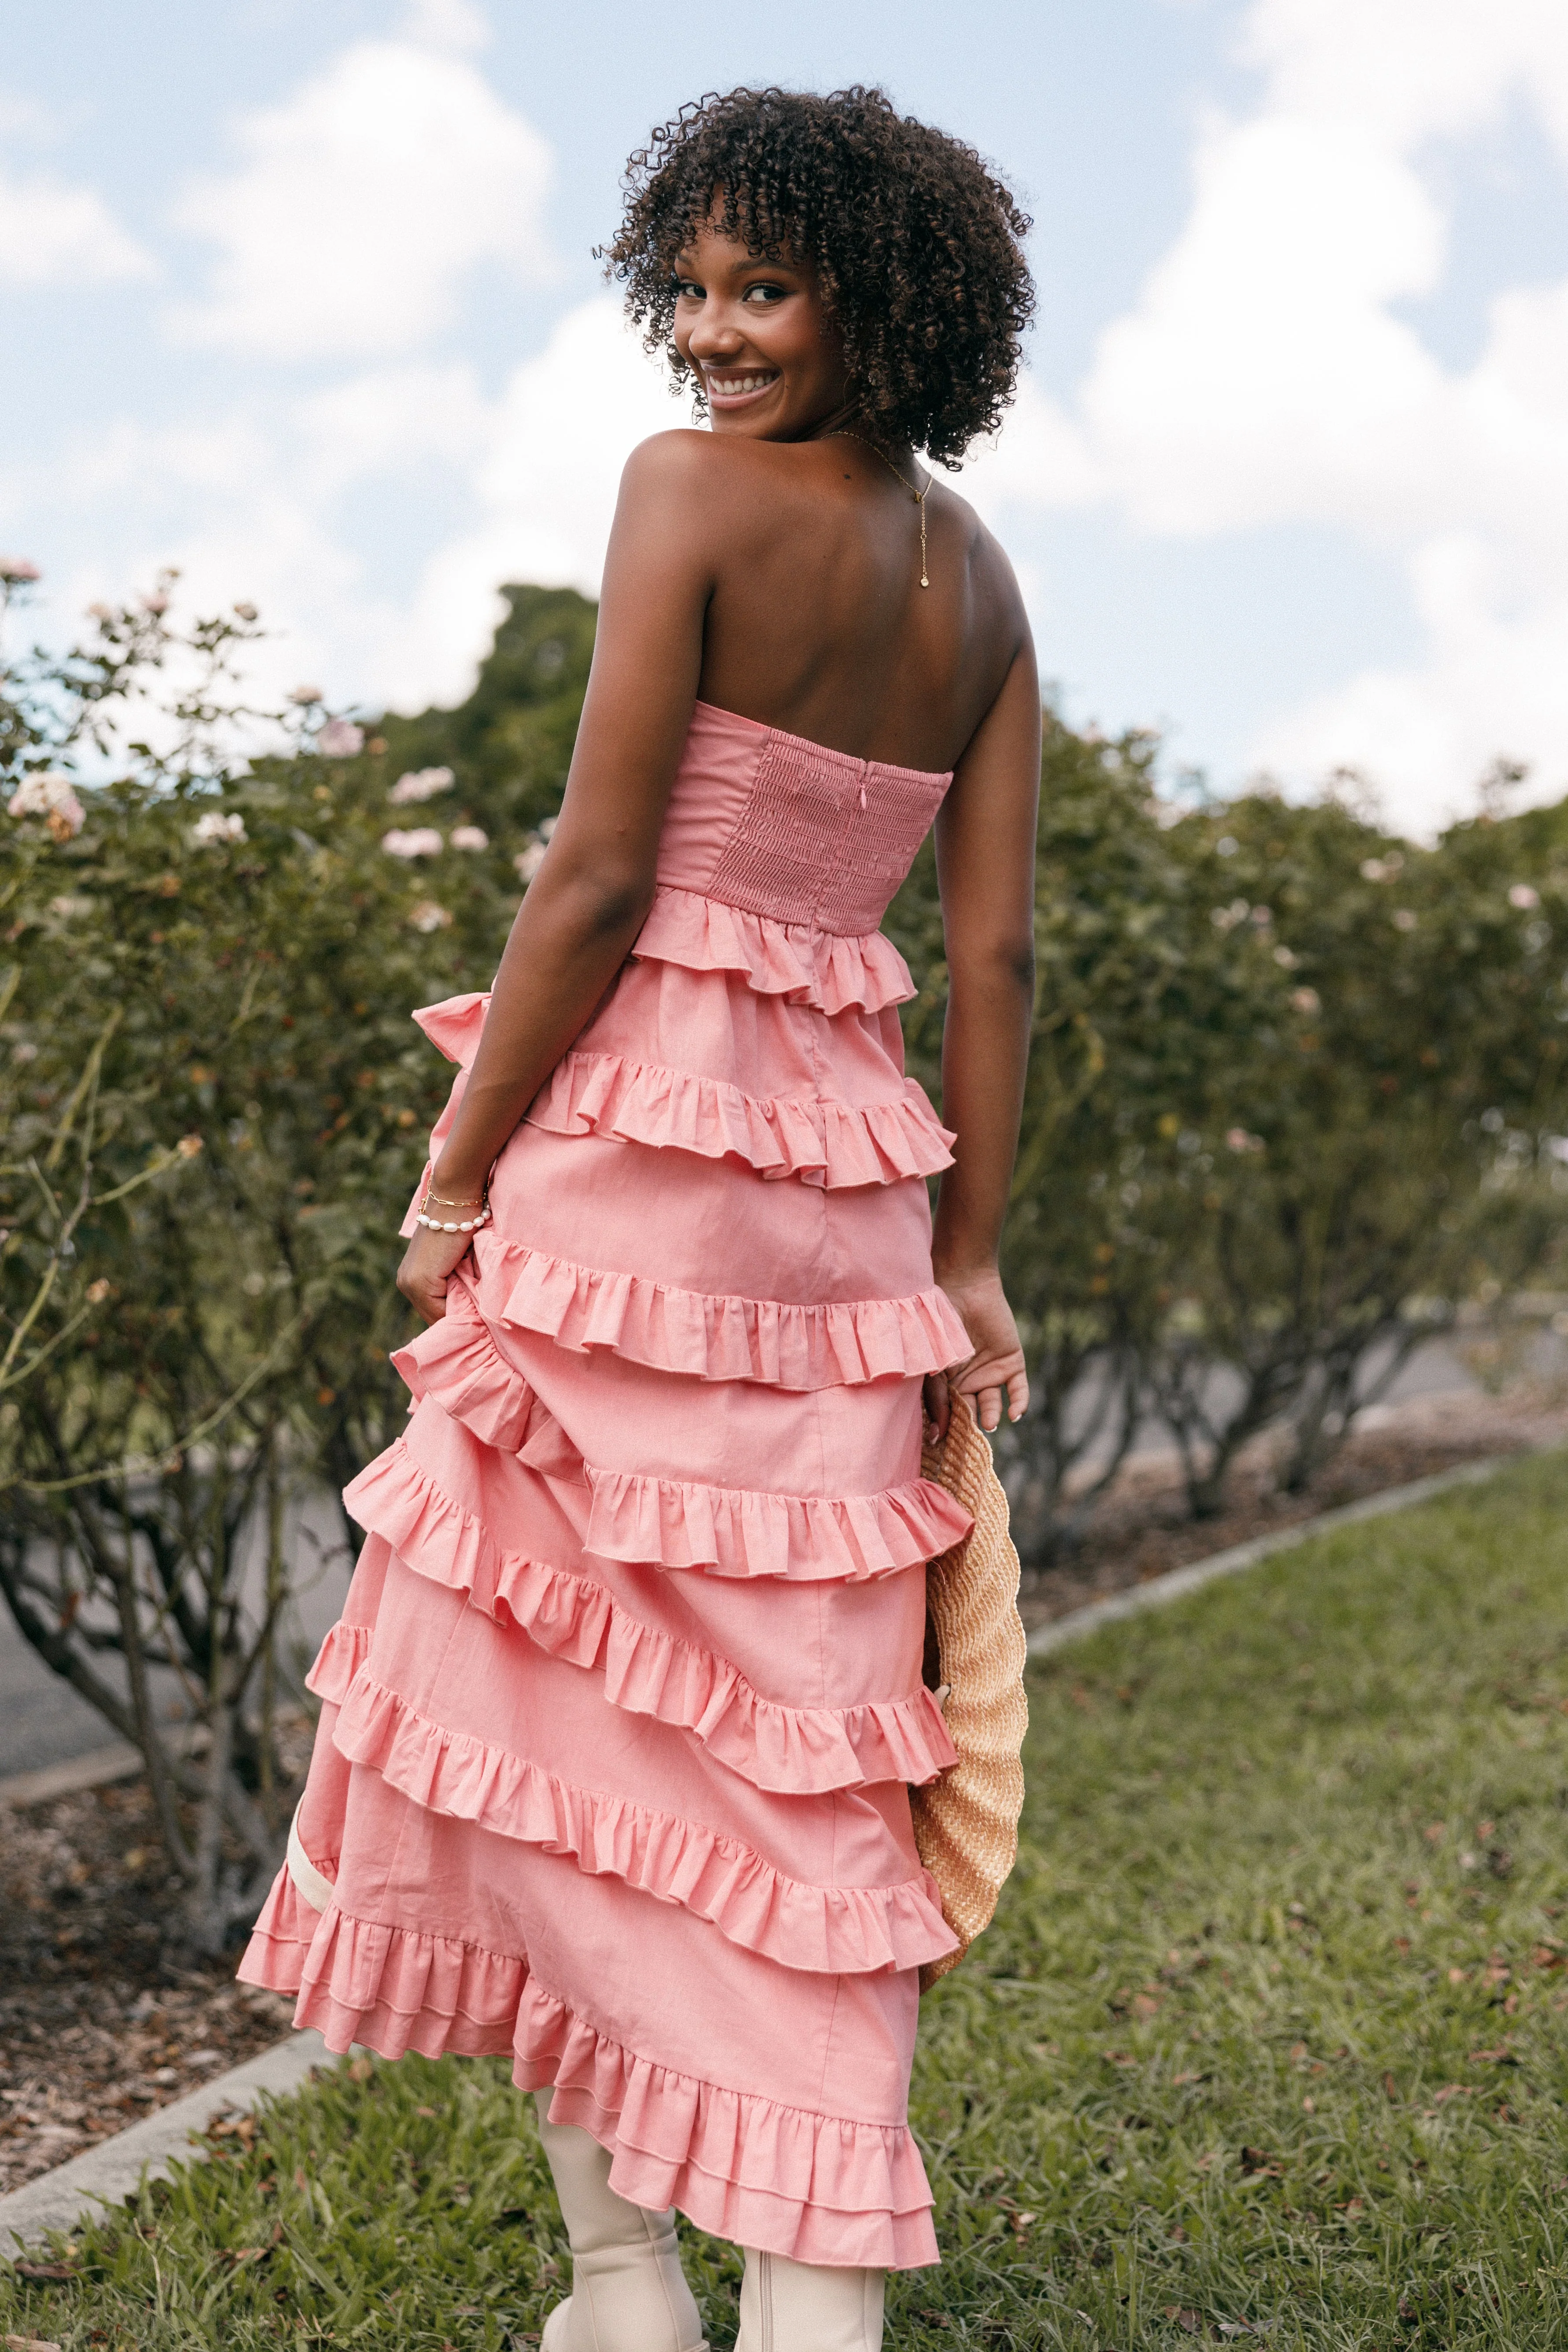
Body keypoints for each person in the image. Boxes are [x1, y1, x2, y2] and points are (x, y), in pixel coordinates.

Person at [240, 83, 1038, 2352]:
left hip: (634, 1193)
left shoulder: (683, 498)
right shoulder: (976, 582)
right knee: (795, 1753)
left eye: (759, 286)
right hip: (846, 1226)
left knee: (555, 1723)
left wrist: (455, 1164)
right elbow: (986, 964)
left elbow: (594, 872)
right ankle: (719, 2291)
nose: (706, 335)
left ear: (877, 299)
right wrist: (965, 1254)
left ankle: (624, 2276)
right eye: (683, 289)